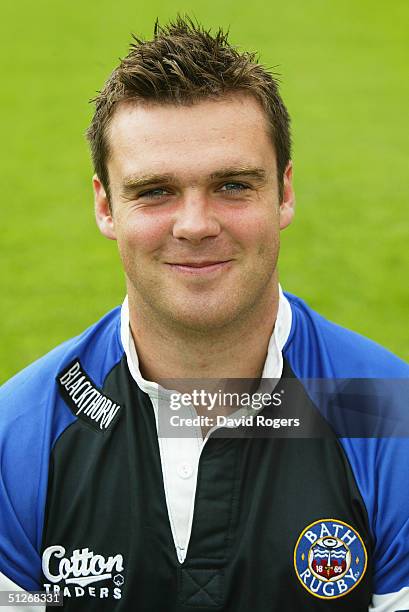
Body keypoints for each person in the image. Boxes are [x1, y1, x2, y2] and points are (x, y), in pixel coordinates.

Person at [0, 16, 408, 612]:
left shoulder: (387, 414)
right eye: (155, 191)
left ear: (284, 193)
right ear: (105, 206)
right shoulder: (22, 433)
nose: (195, 225)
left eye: (234, 185)